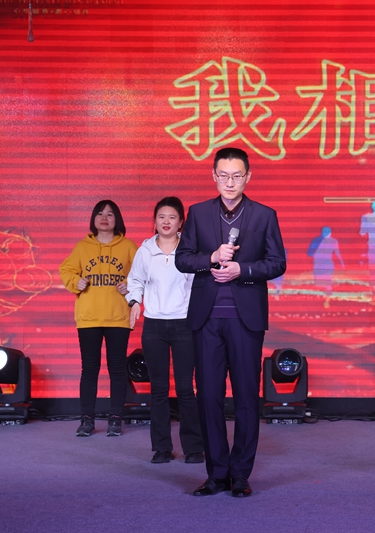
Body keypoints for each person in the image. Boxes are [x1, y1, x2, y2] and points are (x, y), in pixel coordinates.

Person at [175, 146, 286, 498]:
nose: (230, 182)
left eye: (237, 176)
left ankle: (240, 474)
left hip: (245, 319)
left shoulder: (264, 215)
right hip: (206, 318)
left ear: (248, 177)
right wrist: (211, 257)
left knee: (246, 398)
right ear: (213, 176)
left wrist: (243, 270)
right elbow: (182, 259)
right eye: (223, 175)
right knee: (208, 396)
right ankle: (216, 473)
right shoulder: (197, 213)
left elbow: (277, 262)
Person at [125, 197, 204, 465]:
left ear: (181, 222)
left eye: (172, 217)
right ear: (155, 221)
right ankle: (161, 448)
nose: (166, 222)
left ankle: (193, 448)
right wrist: (135, 302)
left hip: (184, 325)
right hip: (154, 325)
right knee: (158, 389)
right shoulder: (145, 250)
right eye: (161, 217)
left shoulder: (190, 250)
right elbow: (135, 281)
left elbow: (199, 284)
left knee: (185, 389)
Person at [59, 200, 137, 437]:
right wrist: (77, 282)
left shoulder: (129, 247)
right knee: (90, 369)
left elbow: (141, 275)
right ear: (93, 219)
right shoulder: (82, 247)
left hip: (118, 317)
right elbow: (66, 270)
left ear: (117, 219)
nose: (104, 218)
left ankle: (115, 418)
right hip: (89, 318)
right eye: (100, 214)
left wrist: (129, 285)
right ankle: (87, 420)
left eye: (110, 214)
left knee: (117, 370)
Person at [308, 226, 344, 307]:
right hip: (325, 264)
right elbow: (337, 252)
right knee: (325, 282)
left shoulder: (317, 240)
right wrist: (342, 262)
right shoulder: (333, 241)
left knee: (324, 282)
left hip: (321, 264)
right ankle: (326, 299)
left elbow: (310, 253)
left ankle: (326, 299)